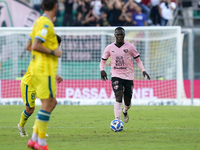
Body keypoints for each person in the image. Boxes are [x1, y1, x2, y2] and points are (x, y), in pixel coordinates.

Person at [26, 0, 61, 150]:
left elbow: (28, 45)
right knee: (49, 104)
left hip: (36, 69)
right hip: (44, 70)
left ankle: (34, 140)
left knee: (51, 102)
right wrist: (54, 52)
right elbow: (35, 45)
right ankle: (41, 143)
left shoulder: (37, 22)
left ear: (42, 7)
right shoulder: (46, 24)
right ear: (55, 7)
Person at [100, 27, 150, 123]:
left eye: (121, 34)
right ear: (115, 35)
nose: (119, 36)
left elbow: (138, 60)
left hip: (128, 76)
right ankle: (117, 120)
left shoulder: (130, 47)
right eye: (118, 34)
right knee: (118, 96)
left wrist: (143, 70)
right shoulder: (109, 48)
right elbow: (102, 61)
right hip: (115, 75)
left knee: (127, 102)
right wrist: (102, 70)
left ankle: (125, 110)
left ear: (124, 35)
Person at [17, 35, 63, 138]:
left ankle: (37, 128)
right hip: (30, 83)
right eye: (57, 45)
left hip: (40, 83)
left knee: (52, 102)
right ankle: (21, 126)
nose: (58, 47)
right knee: (30, 110)